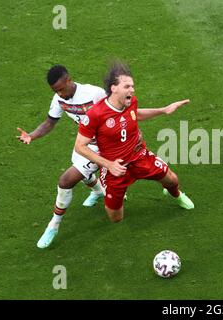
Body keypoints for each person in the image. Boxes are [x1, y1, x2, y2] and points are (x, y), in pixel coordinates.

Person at [75, 62, 194, 224]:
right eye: (127, 86)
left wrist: (164, 110)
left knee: (172, 180)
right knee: (115, 218)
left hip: (139, 156)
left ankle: (177, 195)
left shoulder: (130, 102)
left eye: (132, 86)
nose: (132, 89)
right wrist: (108, 164)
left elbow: (135, 114)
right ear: (113, 88)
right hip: (115, 169)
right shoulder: (95, 114)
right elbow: (80, 146)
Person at [17, 65, 109, 249]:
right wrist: (31, 136)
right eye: (55, 91)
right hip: (83, 145)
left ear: (69, 80)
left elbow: (117, 111)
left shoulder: (95, 93)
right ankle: (99, 192)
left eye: (60, 89)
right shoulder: (59, 99)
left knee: (65, 181)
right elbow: (50, 122)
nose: (59, 93)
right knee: (82, 173)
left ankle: (54, 225)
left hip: (103, 146)